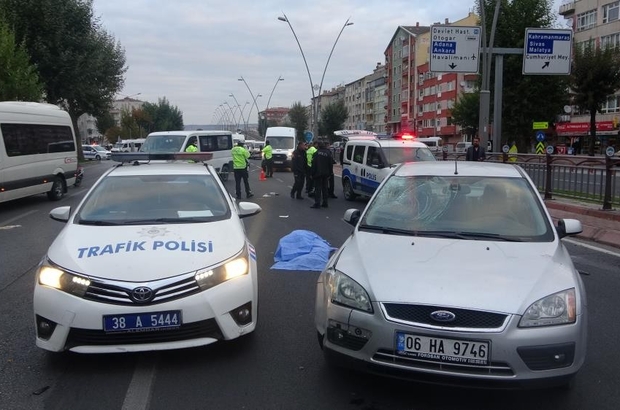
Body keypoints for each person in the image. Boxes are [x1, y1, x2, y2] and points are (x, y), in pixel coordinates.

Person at [310, 141, 334, 209]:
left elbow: (313, 164)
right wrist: (330, 173)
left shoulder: (316, 153)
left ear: (318, 146)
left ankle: (317, 203)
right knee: (325, 188)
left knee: (318, 189)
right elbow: (330, 164)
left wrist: (312, 173)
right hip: (326, 174)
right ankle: (325, 202)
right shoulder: (328, 153)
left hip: (318, 174)